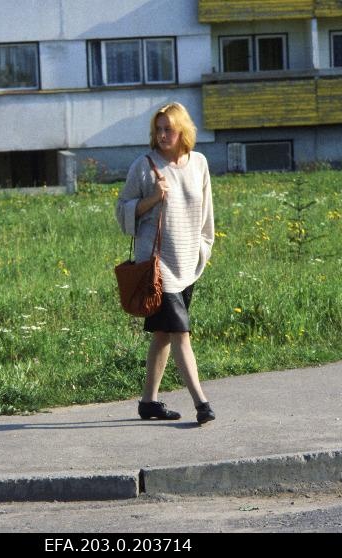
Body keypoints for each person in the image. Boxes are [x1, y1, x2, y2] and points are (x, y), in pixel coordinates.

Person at [115, 102, 216, 425]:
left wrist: (204, 248)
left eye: (167, 129)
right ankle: (202, 403)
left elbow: (207, 214)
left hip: (188, 261)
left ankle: (149, 402)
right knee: (180, 334)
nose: (161, 135)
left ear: (182, 131)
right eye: (157, 129)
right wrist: (152, 199)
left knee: (162, 333)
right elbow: (122, 211)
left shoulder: (199, 163)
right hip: (158, 267)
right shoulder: (144, 167)